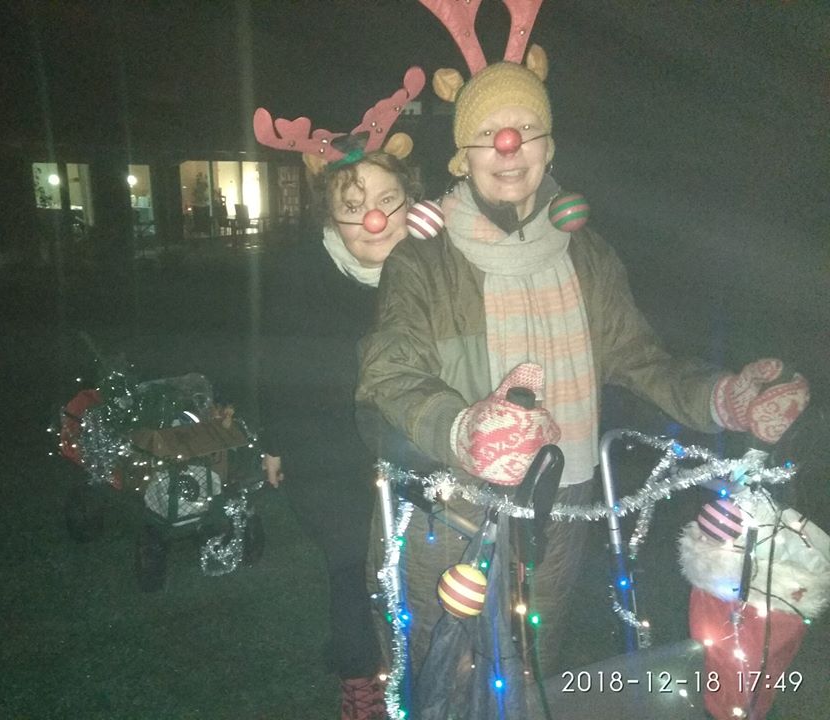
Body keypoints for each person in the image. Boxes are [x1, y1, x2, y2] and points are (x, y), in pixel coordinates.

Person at [355, 6, 810, 684]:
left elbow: (639, 358)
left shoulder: (587, 254)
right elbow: (389, 373)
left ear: (548, 147)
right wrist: (464, 427)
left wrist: (724, 398)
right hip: (452, 508)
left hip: (563, 505)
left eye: (527, 129)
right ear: (463, 155)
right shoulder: (423, 260)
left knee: (532, 667)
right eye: (488, 134)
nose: (509, 145)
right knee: (443, 671)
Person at [254, 68, 424, 720]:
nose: (373, 218)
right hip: (329, 457)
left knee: (417, 570)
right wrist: (275, 442)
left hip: (416, 447)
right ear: (332, 213)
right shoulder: (302, 274)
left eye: (386, 199)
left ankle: (427, 668)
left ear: (408, 200)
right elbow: (277, 364)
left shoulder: (435, 269)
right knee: (354, 569)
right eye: (353, 206)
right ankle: (361, 680)